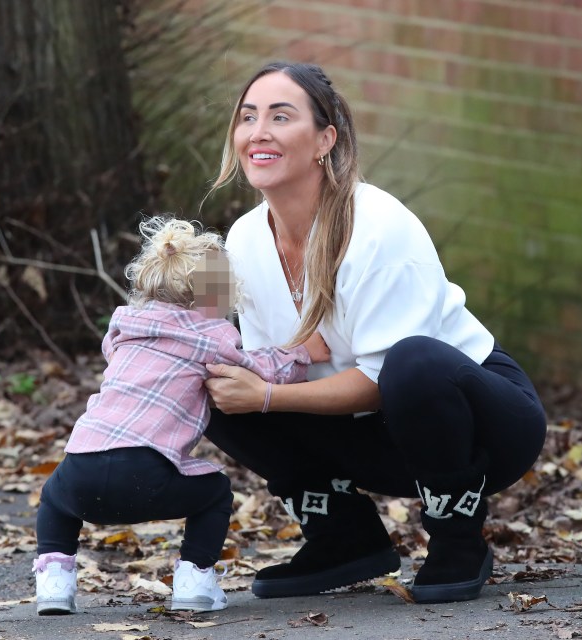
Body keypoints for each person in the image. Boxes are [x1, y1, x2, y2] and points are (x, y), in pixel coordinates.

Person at [201, 61, 547, 604]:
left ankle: (459, 541)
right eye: (248, 117)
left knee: (413, 362)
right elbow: (271, 357)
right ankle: (344, 537)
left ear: (324, 139)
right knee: (210, 377)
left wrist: (268, 394)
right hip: (367, 431)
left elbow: (385, 380)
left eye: (280, 116)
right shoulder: (243, 240)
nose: (258, 131)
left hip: (478, 423)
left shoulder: (379, 226)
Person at [32, 216, 331, 615]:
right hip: (144, 470)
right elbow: (257, 369)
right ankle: (194, 580)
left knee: (53, 499)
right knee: (215, 492)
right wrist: (303, 352)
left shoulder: (125, 327)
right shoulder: (210, 335)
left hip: (79, 465)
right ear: (214, 296)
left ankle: (54, 584)